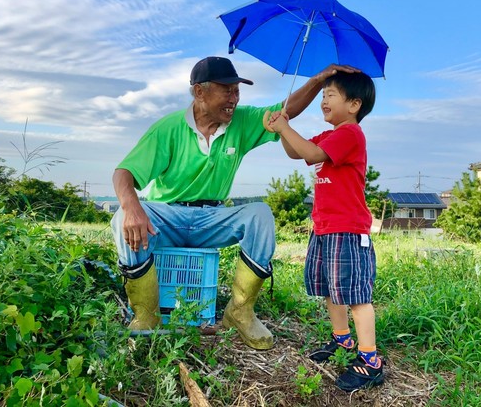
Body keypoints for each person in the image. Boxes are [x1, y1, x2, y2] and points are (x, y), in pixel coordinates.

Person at [111, 56, 357, 350]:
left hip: (213, 218)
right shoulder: (168, 128)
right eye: (227, 90)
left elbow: (284, 112)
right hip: (169, 218)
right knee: (121, 218)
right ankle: (146, 314)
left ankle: (239, 311)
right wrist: (131, 207)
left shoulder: (241, 121)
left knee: (259, 214)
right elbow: (123, 173)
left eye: (237, 91)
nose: (234, 98)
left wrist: (317, 81)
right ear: (199, 92)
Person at [266, 71, 384, 391]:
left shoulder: (350, 134)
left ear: (354, 104)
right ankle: (343, 340)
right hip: (326, 228)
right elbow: (297, 151)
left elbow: (312, 154)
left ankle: (371, 360)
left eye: (331, 94)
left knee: (356, 295)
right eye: (323, 95)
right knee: (332, 290)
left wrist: (285, 126)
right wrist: (282, 127)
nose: (323, 100)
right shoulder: (328, 135)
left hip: (348, 229)